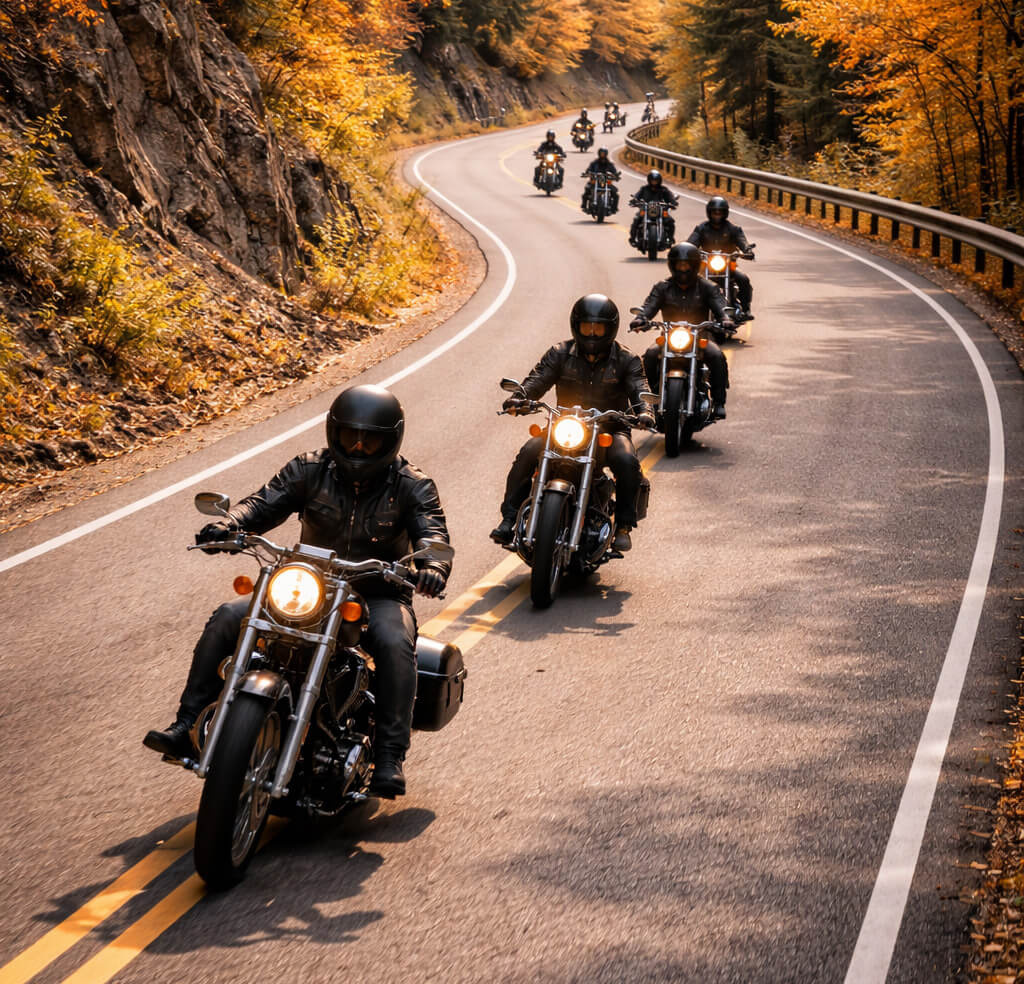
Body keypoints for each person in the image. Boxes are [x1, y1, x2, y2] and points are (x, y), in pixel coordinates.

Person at [143, 384, 452, 799]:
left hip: (376, 591)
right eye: (350, 436)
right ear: (333, 432)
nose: (358, 447)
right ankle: (187, 724)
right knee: (230, 616)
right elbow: (263, 503)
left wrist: (431, 566)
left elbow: (432, 531)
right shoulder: (309, 469)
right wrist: (231, 525)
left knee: (396, 642)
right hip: (308, 584)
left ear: (390, 439)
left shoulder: (413, 485)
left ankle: (390, 755)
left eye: (370, 438)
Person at [490, 294, 654, 554]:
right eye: (585, 327)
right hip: (565, 426)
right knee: (528, 452)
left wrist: (645, 411)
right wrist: (519, 398)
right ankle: (509, 518)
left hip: (609, 429)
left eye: (597, 327)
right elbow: (537, 379)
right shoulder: (560, 353)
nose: (591, 333)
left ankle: (623, 525)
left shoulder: (626, 359)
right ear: (575, 326)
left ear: (609, 328)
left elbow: (639, 388)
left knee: (627, 461)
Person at [630, 243, 733, 419]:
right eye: (679, 265)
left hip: (699, 336)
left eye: (687, 265)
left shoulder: (707, 287)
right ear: (672, 265)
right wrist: (641, 319)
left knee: (716, 356)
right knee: (650, 356)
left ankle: (719, 402)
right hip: (670, 337)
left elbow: (720, 304)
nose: (683, 269)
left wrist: (725, 318)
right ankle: (650, 400)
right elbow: (650, 306)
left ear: (694, 266)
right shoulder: (662, 287)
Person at [686, 196, 755, 319]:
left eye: (720, 212)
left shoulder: (733, 229)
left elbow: (742, 241)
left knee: (743, 279)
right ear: (709, 212)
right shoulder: (701, 228)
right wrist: (687, 250)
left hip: (728, 265)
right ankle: (688, 309)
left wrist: (747, 250)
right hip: (705, 265)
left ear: (725, 213)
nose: (717, 215)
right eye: (714, 212)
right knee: (688, 280)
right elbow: (691, 243)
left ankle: (746, 309)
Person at [629, 169, 678, 247]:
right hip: (645, 209)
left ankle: (670, 239)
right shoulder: (644, 189)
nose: (654, 182)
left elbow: (670, 197)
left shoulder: (663, 190)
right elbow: (637, 195)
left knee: (670, 221)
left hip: (660, 210)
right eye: (652, 180)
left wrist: (673, 202)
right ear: (649, 180)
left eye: (656, 180)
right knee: (636, 219)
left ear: (659, 181)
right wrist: (634, 200)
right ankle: (633, 239)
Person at [581, 147, 621, 213]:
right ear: (599, 153)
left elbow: (614, 171)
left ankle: (614, 208)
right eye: (601, 153)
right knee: (587, 190)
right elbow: (589, 170)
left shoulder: (609, 164)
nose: (602, 154)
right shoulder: (594, 163)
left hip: (606, 183)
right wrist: (587, 174)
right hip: (595, 181)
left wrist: (615, 176)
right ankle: (584, 206)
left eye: (604, 153)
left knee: (615, 194)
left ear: (606, 154)